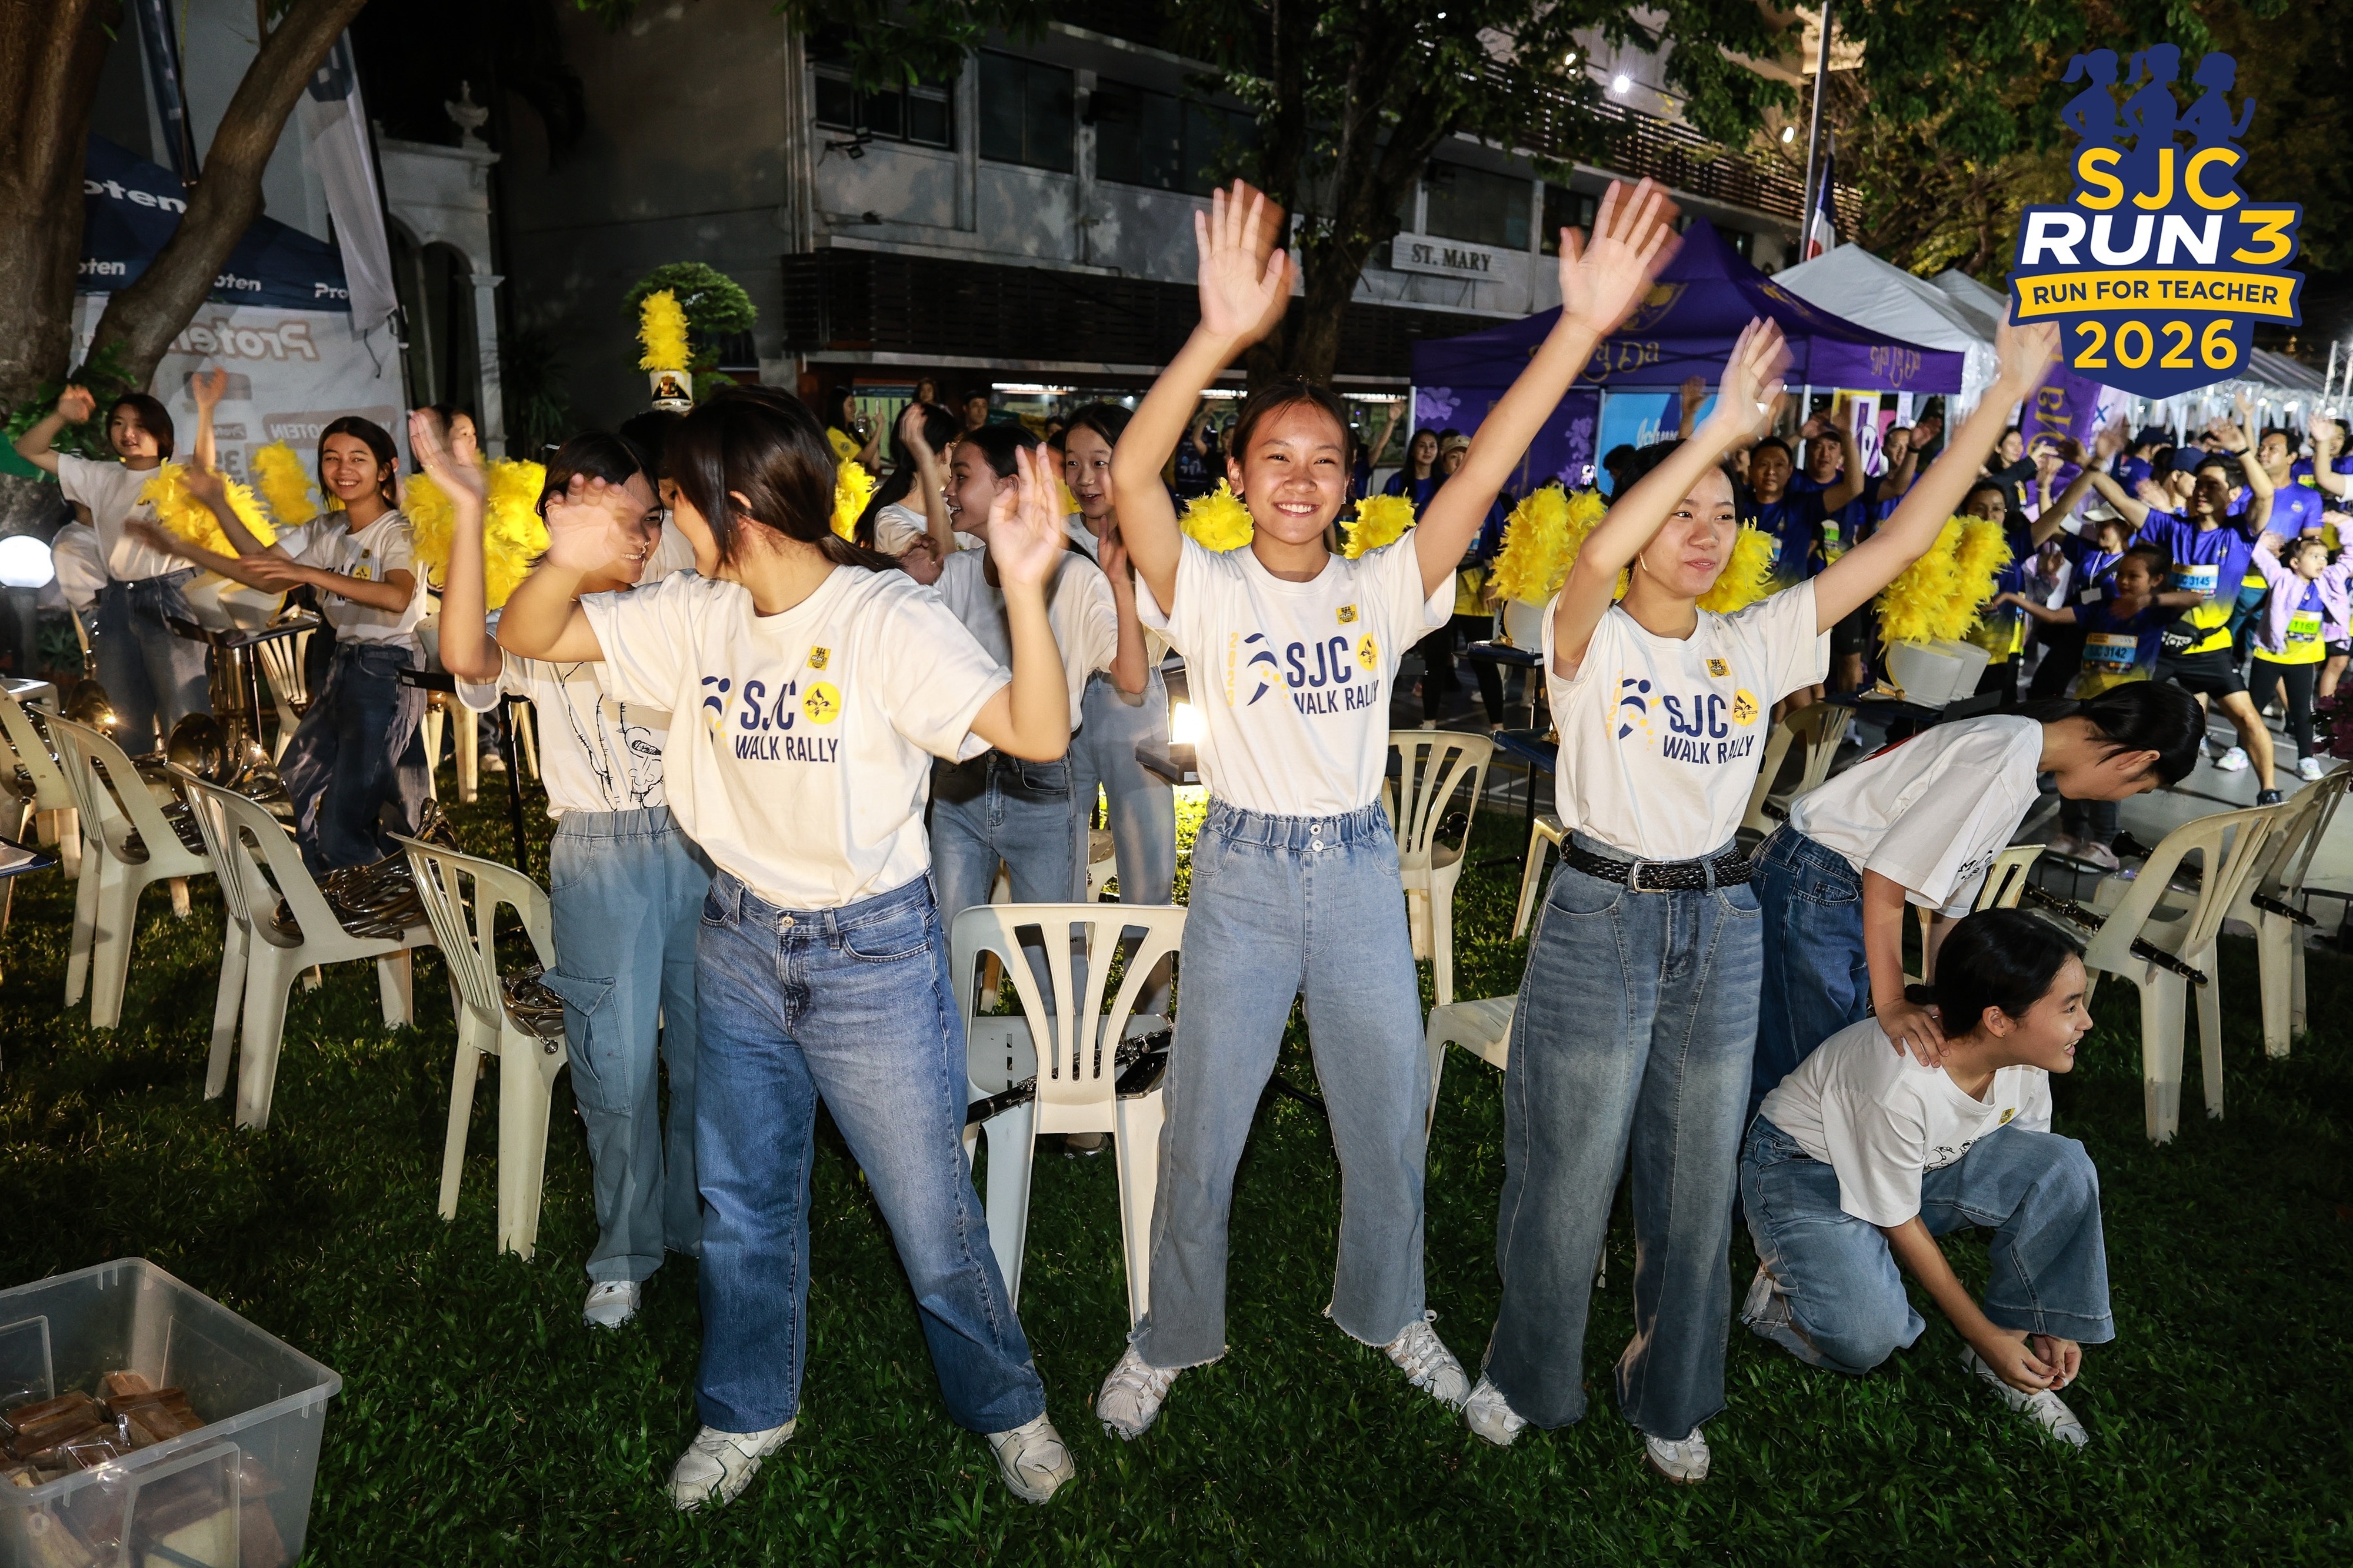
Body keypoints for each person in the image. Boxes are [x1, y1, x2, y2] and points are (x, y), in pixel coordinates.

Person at [1092, 176, 1680, 1442]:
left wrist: (1579, 327)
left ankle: (1390, 1306)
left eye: (1324, 459)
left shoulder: (1383, 584)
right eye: (1275, 457)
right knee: (1204, 1123)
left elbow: (1488, 466)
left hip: (1360, 870)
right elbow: (1133, 474)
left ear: (1349, 480)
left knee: (1385, 1112)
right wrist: (1218, 335)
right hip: (1245, 872)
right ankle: (1169, 1331)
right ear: (1237, 475)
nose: (1300, 478)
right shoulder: (1203, 588)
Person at [1465, 312, 2062, 1480]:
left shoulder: (1753, 641)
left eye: (1723, 515)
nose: (1704, 532)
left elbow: (1897, 545)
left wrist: (2000, 398)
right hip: (1601, 911)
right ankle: (1527, 1373)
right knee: (1565, 1170)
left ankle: (1670, 1389)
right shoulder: (1591, 638)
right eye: (1680, 513)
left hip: (1722, 917)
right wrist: (1714, 438)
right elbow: (1594, 558)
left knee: (1694, 1178)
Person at [496, 385, 1080, 1508]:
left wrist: (1022, 582)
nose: (661, 524)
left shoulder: (881, 617)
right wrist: (567, 557)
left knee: (930, 1211)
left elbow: (1038, 731)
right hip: (739, 939)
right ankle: (747, 1408)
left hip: (872, 955)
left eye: (675, 503)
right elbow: (526, 635)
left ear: (736, 505)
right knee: (742, 1203)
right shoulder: (693, 614)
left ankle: (1009, 1404)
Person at [416, 413, 708, 1333]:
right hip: (601, 853)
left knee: (710, 1054)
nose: (642, 538)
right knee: (614, 1065)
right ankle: (624, 1252)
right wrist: (469, 510)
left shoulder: (676, 599)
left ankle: (697, 1226)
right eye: (625, 520)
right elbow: (465, 657)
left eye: (649, 519)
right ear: (562, 513)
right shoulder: (540, 614)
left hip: (705, 843)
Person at [1748, 682, 2204, 1128]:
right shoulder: (2003, 758)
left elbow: (1952, 900)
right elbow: (1885, 877)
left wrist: (1944, 996)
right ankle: (1759, 1172)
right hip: (1816, 880)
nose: (2123, 798)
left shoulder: (2019, 758)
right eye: (2139, 790)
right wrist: (1892, 1004)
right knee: (1800, 1068)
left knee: (1832, 1056)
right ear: (2138, 760)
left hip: (1832, 887)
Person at [1741, 909, 2111, 1447]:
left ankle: (2012, 1348)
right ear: (1998, 1020)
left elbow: (2035, 1170)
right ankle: (1784, 1297)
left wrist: (2048, 1318)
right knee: (1867, 1339)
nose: (2087, 1022)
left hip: (1919, 1165)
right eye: (2070, 1007)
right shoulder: (1901, 1084)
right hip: (1806, 1168)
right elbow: (1902, 1223)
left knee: (2063, 1167)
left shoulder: (2026, 1061)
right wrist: (1981, 1336)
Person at [138, 414, 426, 870]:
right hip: (342, 668)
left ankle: (379, 901)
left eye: (358, 459)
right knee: (287, 795)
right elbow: (262, 572)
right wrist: (199, 527)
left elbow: (397, 596)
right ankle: (316, 893)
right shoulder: (328, 528)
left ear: (386, 468)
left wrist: (309, 573)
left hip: (387, 672)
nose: (343, 469)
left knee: (346, 823)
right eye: (331, 458)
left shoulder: (397, 530)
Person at [931, 420, 1141, 978]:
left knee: (1052, 965)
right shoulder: (952, 577)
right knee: (948, 955)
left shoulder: (1075, 577)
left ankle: (1057, 1039)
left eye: (960, 477)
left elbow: (1132, 677)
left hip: (1041, 788)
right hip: (959, 784)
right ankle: (958, 1042)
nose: (949, 489)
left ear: (1009, 487)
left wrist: (1121, 585)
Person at [1059, 401, 1178, 1012]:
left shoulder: (1156, 532)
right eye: (1072, 463)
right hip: (1061, 709)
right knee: (1059, 872)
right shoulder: (1050, 535)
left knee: (1147, 874)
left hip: (1132, 707)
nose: (1084, 479)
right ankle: (1069, 1018)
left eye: (1100, 462)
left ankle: (1149, 1023)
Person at [12, 382, 208, 750]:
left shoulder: (179, 476)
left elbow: (207, 471)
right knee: (122, 716)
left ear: (162, 434)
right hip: (117, 597)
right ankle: (136, 787)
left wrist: (206, 409)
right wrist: (61, 415)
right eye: (119, 424)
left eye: (140, 425)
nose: (128, 433)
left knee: (184, 713)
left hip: (170, 595)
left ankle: (197, 788)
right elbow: (27, 449)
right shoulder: (101, 475)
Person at [2086, 446, 2280, 802]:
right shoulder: (2169, 528)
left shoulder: (2240, 534)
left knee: (2248, 718)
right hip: (2161, 643)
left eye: (2213, 485)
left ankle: (2269, 791)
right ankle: (2087, 778)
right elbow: (2118, 499)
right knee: (2116, 709)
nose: (2202, 491)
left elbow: (2266, 494)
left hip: (2209, 647)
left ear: (2233, 494)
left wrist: (2242, 449)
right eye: (2199, 483)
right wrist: (2092, 462)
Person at [1999, 545, 2205, 867]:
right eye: (2121, 574)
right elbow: (2053, 616)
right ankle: (2070, 834)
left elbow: (2194, 598)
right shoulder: (2101, 607)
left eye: (2134, 576)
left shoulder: (2154, 613)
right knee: (2072, 768)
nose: (2124, 581)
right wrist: (2013, 598)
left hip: (2127, 719)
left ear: (2156, 580)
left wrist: (2148, 601)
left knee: (2111, 776)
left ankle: (2103, 843)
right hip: (2091, 708)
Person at [2247, 533, 2352, 780]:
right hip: (2270, 656)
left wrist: (2342, 524)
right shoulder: (2280, 578)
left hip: (2302, 660)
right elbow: (2260, 555)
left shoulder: (2328, 581)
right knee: (2253, 708)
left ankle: (2306, 759)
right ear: (2295, 562)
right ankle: (2240, 750)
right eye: (2314, 556)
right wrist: (2262, 539)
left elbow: (2350, 556)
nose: (2322, 562)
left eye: (2324, 557)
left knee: (2303, 711)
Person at [858, 401, 964, 558]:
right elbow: (947, 564)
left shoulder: (954, 507)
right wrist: (926, 462)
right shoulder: (890, 521)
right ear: (945, 452)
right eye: (957, 448)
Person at [1384, 428, 1444, 511]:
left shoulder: (1445, 481)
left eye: (1432, 446)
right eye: (1422, 446)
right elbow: (1384, 511)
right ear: (1412, 451)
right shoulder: (1396, 481)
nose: (1427, 451)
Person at [825, 388, 880, 469]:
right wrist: (880, 426)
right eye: (850, 405)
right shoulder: (834, 435)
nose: (854, 409)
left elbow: (876, 464)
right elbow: (866, 457)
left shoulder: (854, 433)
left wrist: (869, 428)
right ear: (838, 407)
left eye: (854, 405)